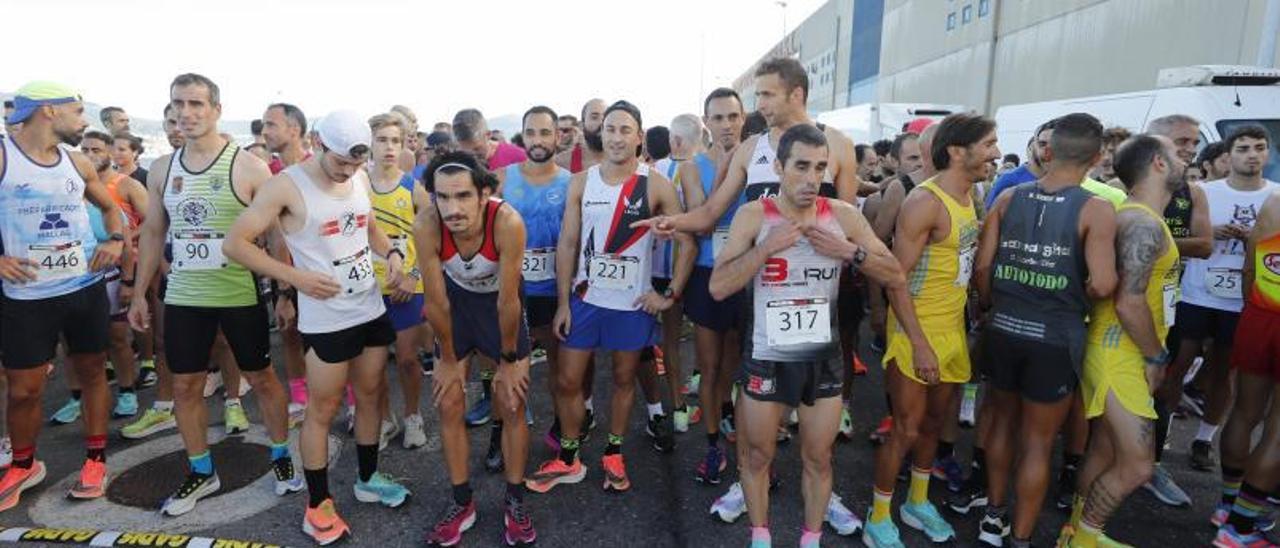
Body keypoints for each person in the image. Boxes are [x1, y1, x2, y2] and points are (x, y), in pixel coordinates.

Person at [708, 123, 911, 548]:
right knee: (758, 456)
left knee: (819, 457)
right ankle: (761, 538)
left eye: (820, 167)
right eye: (801, 166)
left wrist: (848, 252)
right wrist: (765, 249)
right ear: (779, 167)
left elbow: (894, 273)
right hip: (767, 354)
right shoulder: (754, 215)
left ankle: (810, 539)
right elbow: (719, 286)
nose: (811, 177)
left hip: (822, 357)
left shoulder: (842, 216)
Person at [224, 110, 411, 544]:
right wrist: (295, 278)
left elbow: (370, 227)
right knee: (323, 410)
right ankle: (318, 505)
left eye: (354, 164)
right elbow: (235, 244)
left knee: (370, 397)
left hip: (368, 305)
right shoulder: (285, 185)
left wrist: (395, 255)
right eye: (341, 162)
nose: (347, 171)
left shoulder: (359, 175)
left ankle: (368, 479)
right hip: (327, 319)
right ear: (318, 143)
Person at [124, 74, 301, 516]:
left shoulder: (248, 166)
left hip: (238, 293)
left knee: (261, 378)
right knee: (186, 385)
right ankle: (202, 471)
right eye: (178, 104)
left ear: (216, 110)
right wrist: (140, 294)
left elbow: (277, 238)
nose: (186, 112)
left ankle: (281, 456)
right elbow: (152, 232)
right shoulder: (164, 168)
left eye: (197, 104)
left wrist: (284, 292)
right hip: (185, 295)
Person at [525, 100, 694, 494]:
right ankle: (569, 457)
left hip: (632, 304)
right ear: (603, 134)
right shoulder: (582, 181)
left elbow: (687, 237)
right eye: (611, 129)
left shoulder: (655, 183)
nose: (616, 137)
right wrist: (564, 302)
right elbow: (568, 242)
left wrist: (669, 294)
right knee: (567, 381)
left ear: (638, 135)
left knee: (622, 379)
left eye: (625, 130)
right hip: (585, 299)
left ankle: (613, 452)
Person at [973, 113, 1118, 547]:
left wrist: (990, 304)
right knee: (1038, 443)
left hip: (1003, 326)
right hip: (1055, 335)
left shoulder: (1008, 197)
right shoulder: (1097, 208)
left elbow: (983, 267)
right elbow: (1104, 283)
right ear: (1095, 159)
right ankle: (1020, 537)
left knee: (1000, 424)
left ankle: (992, 519)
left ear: (1047, 151)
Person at [860, 114, 997, 547]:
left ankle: (917, 501)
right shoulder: (925, 201)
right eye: (989, 144)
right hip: (916, 331)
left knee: (937, 424)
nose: (996, 153)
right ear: (958, 151)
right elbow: (895, 276)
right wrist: (917, 343)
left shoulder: (970, 195)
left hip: (952, 329)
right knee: (906, 428)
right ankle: (878, 515)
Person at [0, 81, 124, 510]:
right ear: (48, 112)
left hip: (83, 286)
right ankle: (24, 465)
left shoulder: (76, 163)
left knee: (92, 372)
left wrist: (116, 239)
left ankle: (95, 458)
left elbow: (111, 209)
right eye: (78, 111)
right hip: (25, 295)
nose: (85, 120)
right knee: (23, 389)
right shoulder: (4, 156)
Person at [1061, 133, 1184, 547]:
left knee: (1103, 453)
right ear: (1159, 164)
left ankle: (1076, 533)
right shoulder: (1142, 223)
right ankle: (1084, 540)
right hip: (1121, 354)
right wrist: (1156, 356)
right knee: (1137, 467)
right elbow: (1130, 303)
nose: (1187, 159)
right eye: (1178, 152)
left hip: (1115, 350)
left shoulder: (1141, 217)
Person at [413, 150, 537, 546]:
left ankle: (515, 499)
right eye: (443, 197)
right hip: (457, 308)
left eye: (463, 196)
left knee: (512, 400)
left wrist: (509, 359)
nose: (452, 208)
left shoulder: (508, 222)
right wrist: (447, 359)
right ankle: (461, 500)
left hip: (499, 306)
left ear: (484, 194)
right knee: (449, 401)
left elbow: (508, 300)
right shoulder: (427, 224)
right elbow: (435, 302)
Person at [1176, 125, 1280, 476]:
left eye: (1259, 148)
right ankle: (1156, 438)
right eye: (1243, 148)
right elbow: (1178, 235)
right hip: (1197, 293)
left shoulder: (1276, 196)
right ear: (1228, 155)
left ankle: (1204, 439)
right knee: (1177, 366)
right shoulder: (1204, 191)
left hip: (1243, 302)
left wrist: (1257, 238)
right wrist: (1210, 234)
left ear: (1267, 153)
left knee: (1223, 375)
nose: (1252, 154)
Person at [495, 106, 575, 464]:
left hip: (556, 290)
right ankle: (501, 436)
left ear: (557, 136)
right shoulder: (501, 178)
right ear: (522, 136)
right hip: (514, 291)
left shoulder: (573, 181)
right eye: (531, 133)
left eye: (546, 133)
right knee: (507, 368)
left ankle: (562, 428)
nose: (538, 141)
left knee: (560, 372)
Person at [1144, 115, 1214, 508]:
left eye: (1193, 141)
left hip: (1170, 305)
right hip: (1125, 304)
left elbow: (1205, 244)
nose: (1189, 149)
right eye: (1181, 142)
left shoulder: (1194, 192)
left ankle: (1151, 465)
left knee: (1161, 388)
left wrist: (1150, 235)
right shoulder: (1122, 188)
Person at [1212, 187, 1280, 547]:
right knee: (1278, 431)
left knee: (1243, 411)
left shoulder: (1274, 201)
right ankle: (1238, 528)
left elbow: (1251, 266)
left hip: (1258, 313)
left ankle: (1227, 505)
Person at [691, 88, 748, 484]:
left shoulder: (762, 160)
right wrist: (727, 169)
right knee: (709, 367)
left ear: (743, 118)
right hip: (708, 273)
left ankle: (743, 438)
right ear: (706, 122)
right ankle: (712, 446)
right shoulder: (693, 167)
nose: (726, 125)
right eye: (718, 118)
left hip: (750, 273)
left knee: (741, 366)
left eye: (733, 117)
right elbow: (705, 220)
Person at [366, 113, 432, 449]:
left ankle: (413, 416)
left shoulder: (413, 188)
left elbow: (430, 237)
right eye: (382, 140)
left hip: (406, 287)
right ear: (370, 143)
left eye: (396, 141)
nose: (390, 147)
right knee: (372, 366)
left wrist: (413, 275)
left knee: (407, 359)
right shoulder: (356, 186)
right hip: (366, 289)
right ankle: (385, 420)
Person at [80, 130, 148, 418]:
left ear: (108, 151)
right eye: (84, 150)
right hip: (80, 275)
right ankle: (79, 398)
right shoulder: (74, 186)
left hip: (124, 265)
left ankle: (132, 385)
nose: (90, 156)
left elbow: (154, 222)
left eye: (96, 149)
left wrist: (126, 238)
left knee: (120, 335)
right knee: (81, 344)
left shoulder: (127, 185)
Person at [261, 101, 313, 426]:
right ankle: (300, 399)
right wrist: (283, 290)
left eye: (271, 125)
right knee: (290, 335)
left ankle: (351, 403)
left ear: (294, 130)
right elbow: (273, 235)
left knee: (335, 340)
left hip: (322, 273)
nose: (264, 132)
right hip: (286, 274)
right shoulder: (268, 174)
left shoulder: (319, 168)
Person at [453, 109, 525, 171]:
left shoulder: (518, 158)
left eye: (476, 149)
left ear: (488, 135)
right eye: (465, 151)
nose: (472, 156)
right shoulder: (455, 165)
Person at [555, 98, 606, 173]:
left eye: (605, 117)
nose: (602, 123)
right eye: (594, 117)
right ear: (582, 125)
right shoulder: (561, 163)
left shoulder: (625, 162)